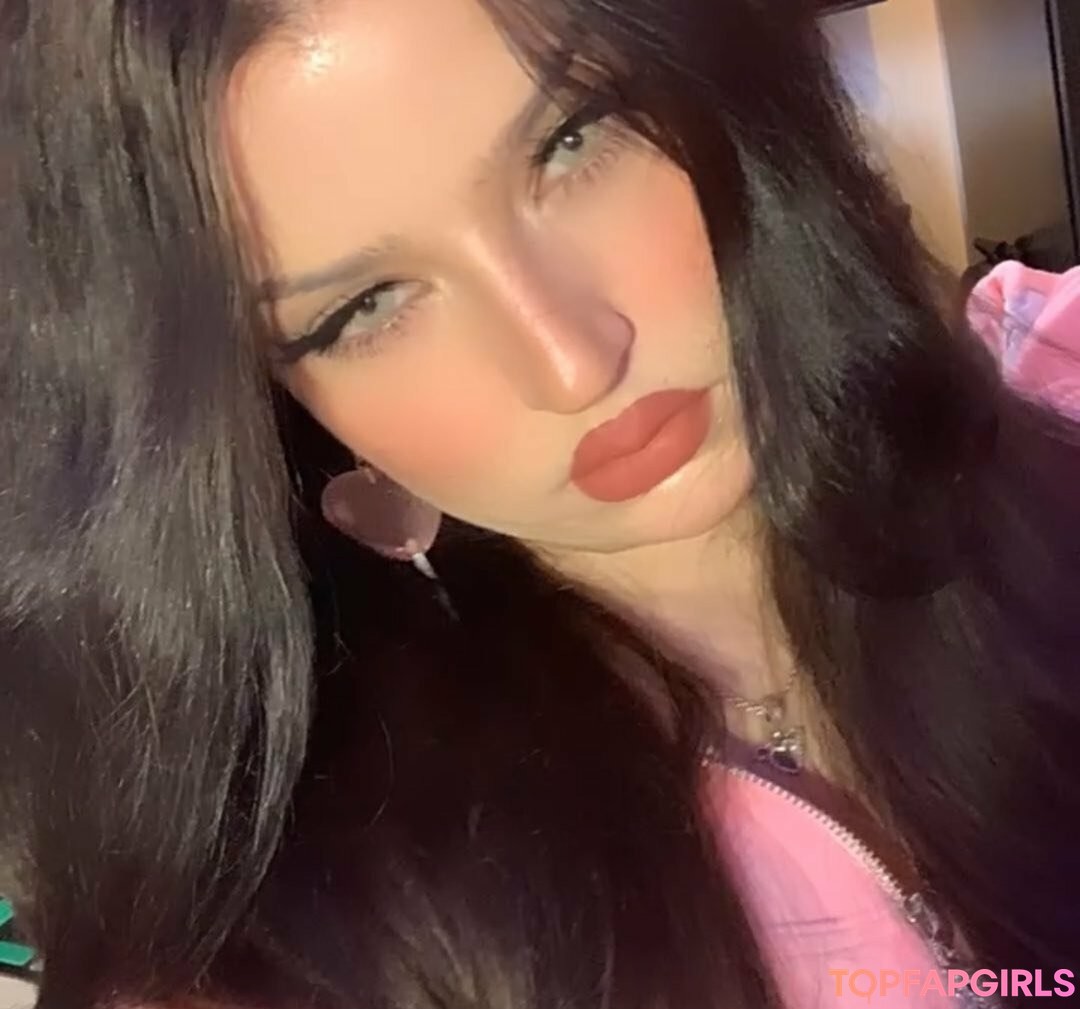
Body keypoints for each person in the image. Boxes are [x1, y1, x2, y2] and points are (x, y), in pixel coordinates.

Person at [1, 0, 1078, 1007]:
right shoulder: (297, 941)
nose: (571, 360)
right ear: (274, 411)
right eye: (364, 308)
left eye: (571, 142)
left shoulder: (1050, 388)